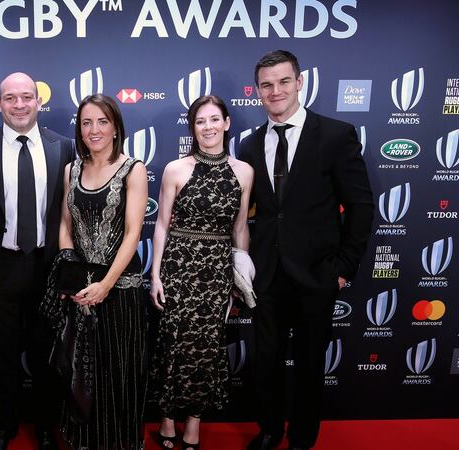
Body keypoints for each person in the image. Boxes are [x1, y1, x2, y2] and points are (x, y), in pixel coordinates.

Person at [239, 50, 373, 450]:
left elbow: (362, 206)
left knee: (312, 362)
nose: (275, 91)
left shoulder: (334, 134)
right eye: (266, 84)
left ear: (300, 82)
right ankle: (268, 429)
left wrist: (344, 266)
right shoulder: (249, 145)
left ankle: (301, 437)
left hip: (318, 273)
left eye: (283, 81)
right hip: (268, 274)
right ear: (258, 91)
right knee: (266, 362)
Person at [0, 72, 75, 450]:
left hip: (46, 269)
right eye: (11, 98)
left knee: (45, 355)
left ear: (38, 101)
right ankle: (6, 426)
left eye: (26, 97)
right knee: (2, 354)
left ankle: (45, 427)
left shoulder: (64, 148)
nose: (20, 105)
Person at [149, 95, 254, 450]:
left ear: (226, 123)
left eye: (214, 120)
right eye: (200, 122)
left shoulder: (244, 172)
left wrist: (241, 274)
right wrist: (156, 275)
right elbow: (161, 224)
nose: (207, 127)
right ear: (193, 128)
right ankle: (166, 418)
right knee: (172, 344)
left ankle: (193, 423)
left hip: (216, 271)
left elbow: (240, 227)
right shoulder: (176, 169)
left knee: (206, 348)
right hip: (178, 266)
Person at [50, 93, 148, 450]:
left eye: (102, 121)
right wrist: (72, 277)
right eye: (86, 122)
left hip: (119, 289)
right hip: (81, 290)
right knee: (83, 373)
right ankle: (85, 441)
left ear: (116, 126)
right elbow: (65, 225)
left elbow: (134, 232)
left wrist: (105, 284)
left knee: (118, 371)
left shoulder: (133, 169)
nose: (94, 130)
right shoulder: (71, 170)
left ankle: (119, 443)